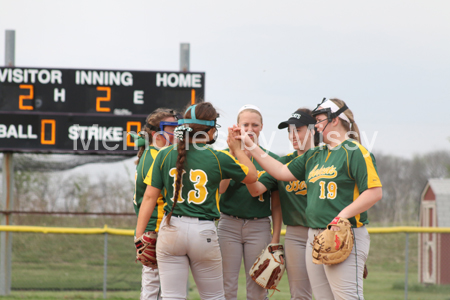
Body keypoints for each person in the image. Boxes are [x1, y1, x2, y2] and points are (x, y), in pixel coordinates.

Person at [231, 98, 382, 300]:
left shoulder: (355, 151)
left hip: (343, 232)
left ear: (335, 120)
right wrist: (250, 146)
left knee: (347, 297)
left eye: (320, 120)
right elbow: (281, 171)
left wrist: (341, 216)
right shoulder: (315, 154)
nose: (317, 125)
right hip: (315, 237)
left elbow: (374, 192)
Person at [135, 102, 258, 300]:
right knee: (214, 296)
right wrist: (237, 149)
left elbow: (149, 197)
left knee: (171, 297)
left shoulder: (164, 154)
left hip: (171, 228)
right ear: (209, 131)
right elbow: (252, 176)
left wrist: (138, 236)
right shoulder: (217, 157)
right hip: (203, 232)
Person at [245, 108, 317, 300]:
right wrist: (242, 155)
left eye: (298, 129)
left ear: (313, 130)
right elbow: (255, 189)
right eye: (289, 130)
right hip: (295, 235)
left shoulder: (326, 159)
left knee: (330, 293)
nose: (293, 135)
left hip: (323, 231)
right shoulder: (283, 163)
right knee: (299, 295)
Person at [218, 104, 282, 300]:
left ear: (261, 127)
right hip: (229, 223)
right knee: (226, 286)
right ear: (237, 126)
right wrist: (234, 153)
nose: (250, 129)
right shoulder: (224, 155)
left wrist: (275, 238)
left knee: (257, 287)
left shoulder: (269, 159)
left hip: (259, 225)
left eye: (255, 124)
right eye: (245, 124)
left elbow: (276, 204)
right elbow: (221, 189)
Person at [132, 108, 179, 300]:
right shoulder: (157, 157)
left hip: (152, 227)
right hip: (156, 228)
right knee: (156, 289)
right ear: (155, 133)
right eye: (171, 128)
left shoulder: (150, 154)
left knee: (153, 287)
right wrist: (140, 235)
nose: (176, 133)